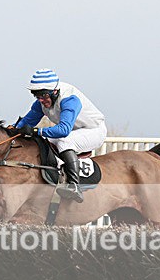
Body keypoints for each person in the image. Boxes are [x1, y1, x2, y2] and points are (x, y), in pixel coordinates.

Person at [8, 68, 107, 203]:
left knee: (65, 142)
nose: (41, 100)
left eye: (44, 95)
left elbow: (63, 130)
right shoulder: (41, 102)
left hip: (93, 130)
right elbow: (27, 121)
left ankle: (74, 185)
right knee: (43, 141)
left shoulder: (69, 99)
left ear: (54, 91)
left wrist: (36, 131)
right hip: (74, 131)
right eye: (37, 96)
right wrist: (12, 129)